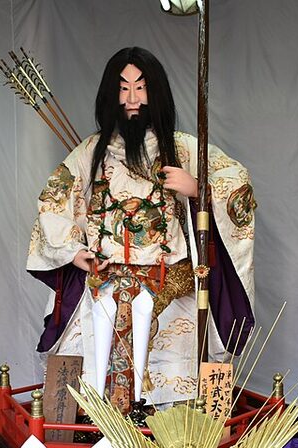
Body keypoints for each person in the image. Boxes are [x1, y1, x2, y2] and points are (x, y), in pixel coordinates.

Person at [27, 47, 255, 413]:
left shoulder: (181, 148)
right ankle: (93, 441)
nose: (132, 99)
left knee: (173, 384)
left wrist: (198, 188)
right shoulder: (90, 151)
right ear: (110, 94)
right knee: (88, 379)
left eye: (141, 87)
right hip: (104, 285)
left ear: (157, 92)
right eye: (123, 88)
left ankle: (171, 444)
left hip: (169, 288)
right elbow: (54, 201)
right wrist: (74, 251)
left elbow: (238, 185)